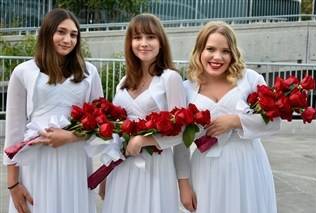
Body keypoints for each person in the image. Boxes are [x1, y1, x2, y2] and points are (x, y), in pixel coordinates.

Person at [3, 8, 103, 213]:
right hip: (35, 163)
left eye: (73, 34)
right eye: (61, 32)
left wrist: (71, 136)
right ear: (47, 33)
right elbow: (14, 131)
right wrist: (13, 184)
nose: (67, 39)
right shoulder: (23, 71)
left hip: (74, 161)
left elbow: (100, 121)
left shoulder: (89, 72)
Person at [175, 21, 280, 213]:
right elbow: (180, 143)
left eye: (225, 51)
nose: (217, 57)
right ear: (199, 51)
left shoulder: (250, 79)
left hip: (247, 165)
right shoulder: (186, 89)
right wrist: (183, 184)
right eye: (210, 49)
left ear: (233, 54)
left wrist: (235, 121)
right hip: (206, 169)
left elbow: (273, 122)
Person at [98, 13, 186, 213]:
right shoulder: (123, 82)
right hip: (122, 166)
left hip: (155, 166)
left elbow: (181, 131)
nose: (143, 43)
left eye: (150, 37)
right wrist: (105, 174)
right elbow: (114, 131)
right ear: (130, 43)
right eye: (137, 38)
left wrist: (143, 140)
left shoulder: (170, 79)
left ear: (161, 42)